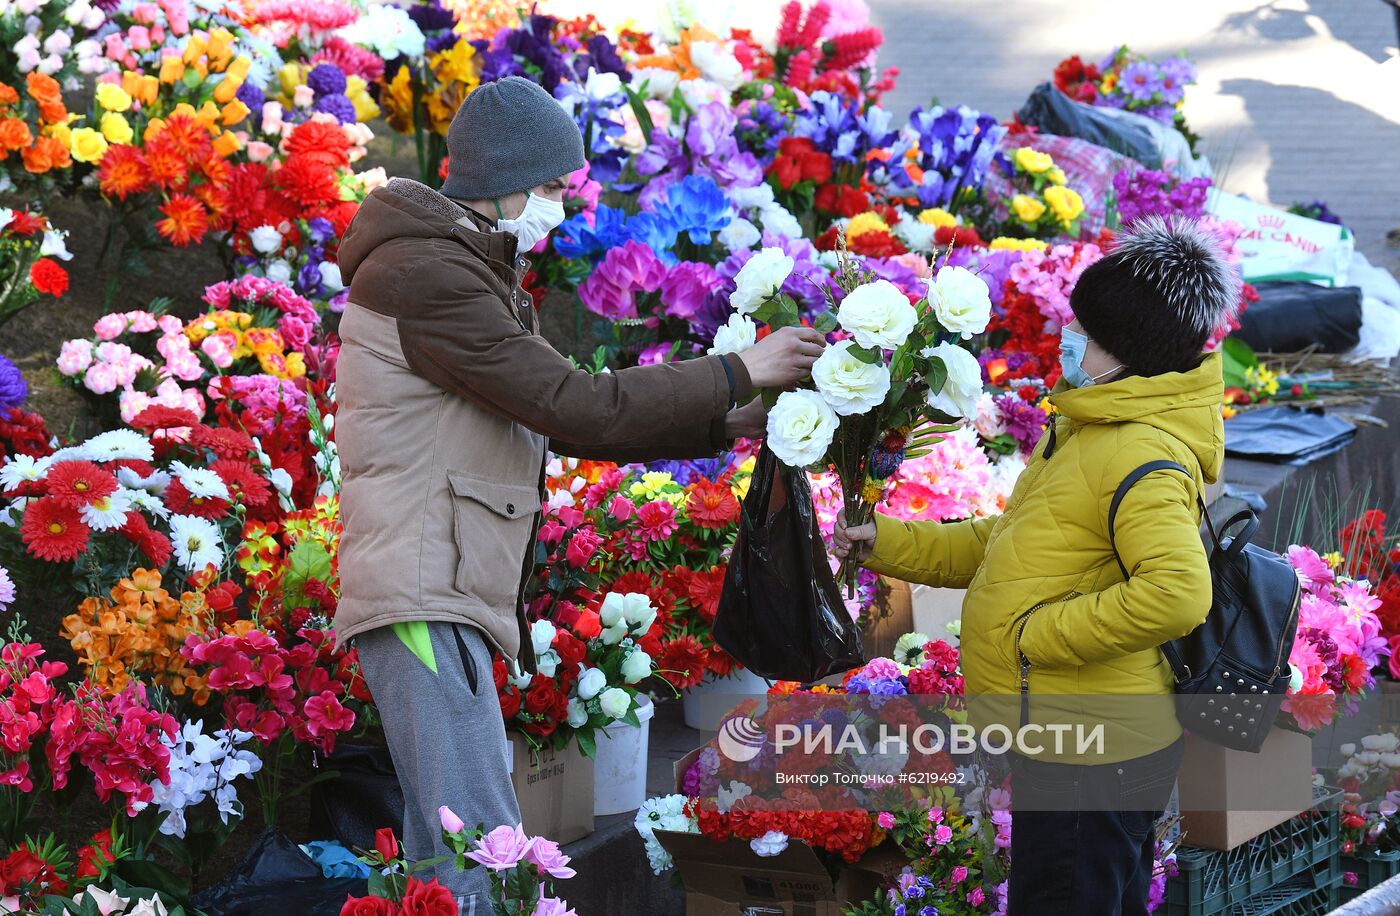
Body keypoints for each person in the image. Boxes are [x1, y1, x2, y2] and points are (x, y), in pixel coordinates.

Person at [332, 76, 824, 910]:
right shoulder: (432, 276)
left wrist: (721, 423)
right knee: (474, 848)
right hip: (420, 593)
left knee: (448, 849)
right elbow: (574, 405)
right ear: (505, 179)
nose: (560, 206)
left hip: (440, 584)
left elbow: (550, 419)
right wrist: (742, 368)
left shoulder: (459, 264)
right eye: (555, 188)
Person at [835, 216, 1239, 916]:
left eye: (1085, 335)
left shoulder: (1141, 454)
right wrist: (883, 540)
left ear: (1127, 353)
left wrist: (1036, 636)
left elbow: (1177, 594)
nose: (1067, 342)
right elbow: (1011, 545)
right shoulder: (1086, 426)